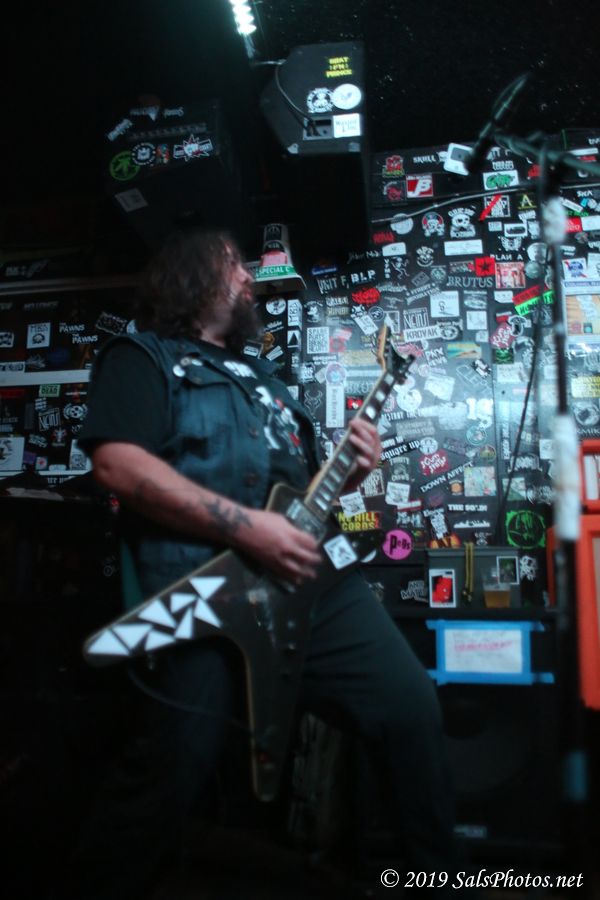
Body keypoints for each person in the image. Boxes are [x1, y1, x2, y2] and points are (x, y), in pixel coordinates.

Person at [70, 229, 462, 899]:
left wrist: (349, 472)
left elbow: (298, 499)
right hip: (204, 584)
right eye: (234, 264)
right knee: (174, 763)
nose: (249, 277)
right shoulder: (143, 357)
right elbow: (118, 464)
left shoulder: (271, 382)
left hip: (313, 586)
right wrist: (250, 529)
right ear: (192, 275)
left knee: (408, 708)